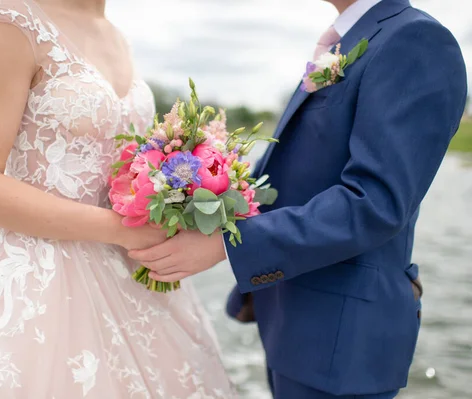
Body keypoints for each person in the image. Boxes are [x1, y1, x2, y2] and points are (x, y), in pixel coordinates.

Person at [0, 0, 236, 397]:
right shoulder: (11, 22)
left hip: (132, 273)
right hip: (36, 276)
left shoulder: (113, 32)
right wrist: (122, 229)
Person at [130, 0, 468, 398]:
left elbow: (375, 203)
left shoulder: (414, 40)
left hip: (341, 343)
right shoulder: (351, 38)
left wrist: (226, 245)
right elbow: (300, 170)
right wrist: (195, 202)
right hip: (296, 323)